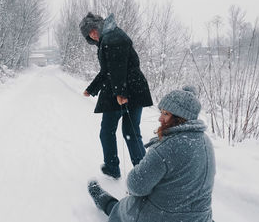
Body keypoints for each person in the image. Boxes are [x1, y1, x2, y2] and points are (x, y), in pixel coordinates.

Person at [87, 85, 216, 222]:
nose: (160, 118)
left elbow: (135, 185)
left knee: (124, 208)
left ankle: (103, 200)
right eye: (161, 112)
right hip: (201, 218)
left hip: (163, 217)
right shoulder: (205, 141)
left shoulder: (166, 147)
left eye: (165, 114)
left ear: (180, 118)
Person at [79, 12, 153, 179]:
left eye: (91, 32)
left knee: (110, 131)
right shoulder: (111, 36)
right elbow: (107, 71)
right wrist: (92, 88)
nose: (92, 36)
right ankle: (144, 173)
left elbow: (118, 69)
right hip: (131, 89)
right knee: (131, 131)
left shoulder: (113, 38)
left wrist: (121, 93)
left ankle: (116, 167)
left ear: (96, 29)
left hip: (125, 91)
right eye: (89, 35)